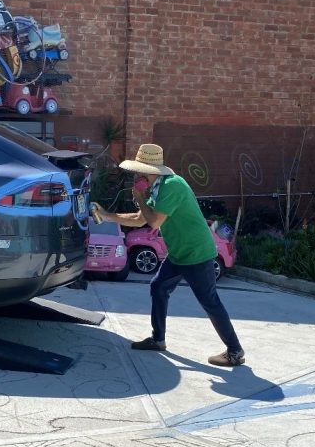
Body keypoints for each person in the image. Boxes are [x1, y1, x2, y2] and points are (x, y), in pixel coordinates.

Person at [92, 143, 244, 367]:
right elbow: (140, 219)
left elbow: (154, 222)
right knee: (158, 287)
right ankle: (158, 340)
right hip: (178, 254)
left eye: (138, 171)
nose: (136, 176)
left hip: (197, 253)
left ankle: (235, 351)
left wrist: (139, 196)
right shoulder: (157, 189)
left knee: (209, 301)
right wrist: (107, 216)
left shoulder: (172, 185)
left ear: (149, 171)